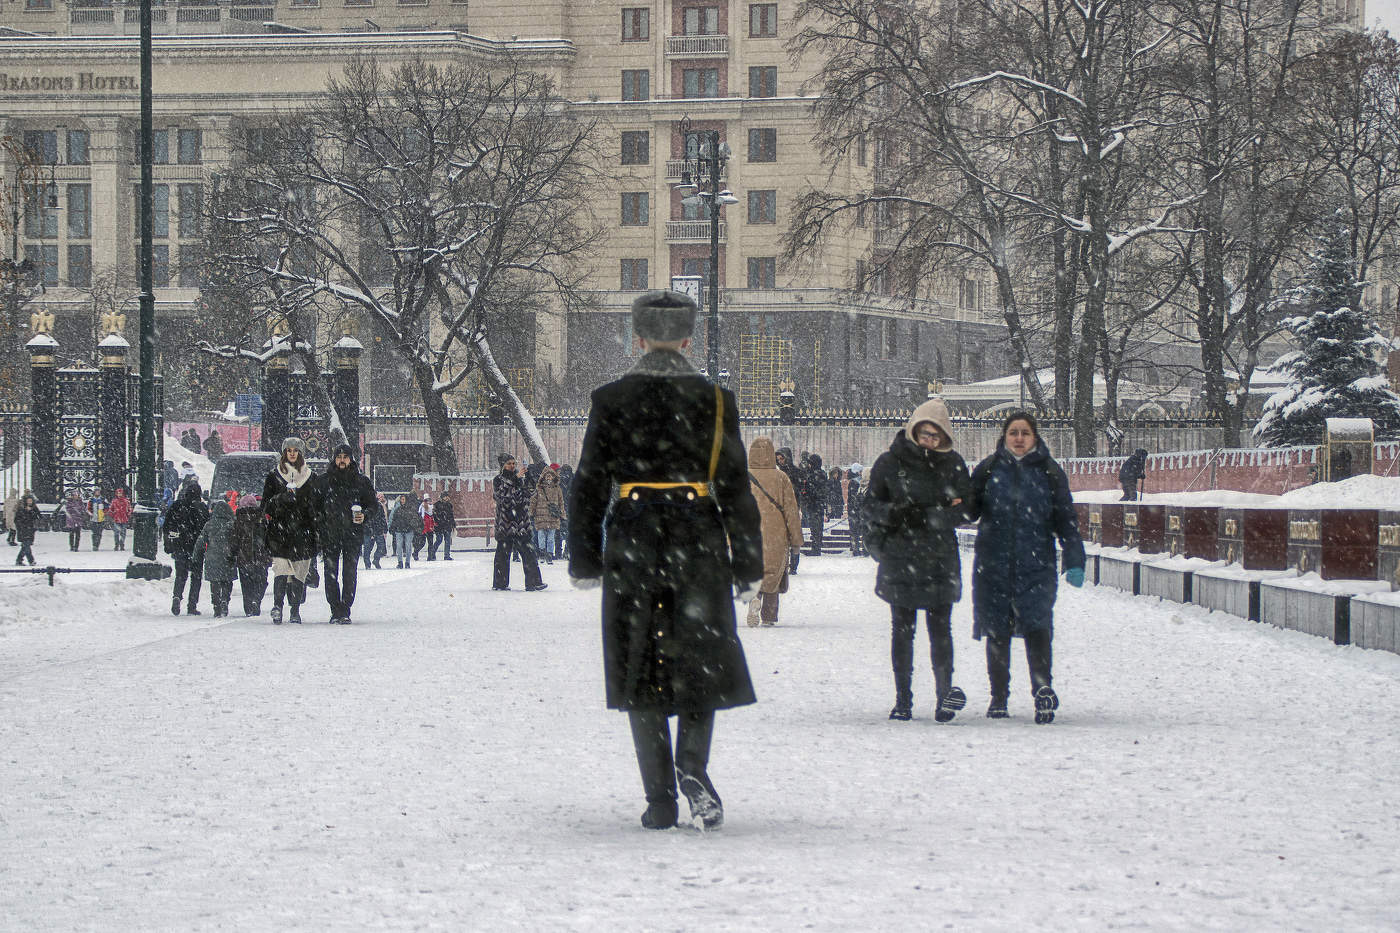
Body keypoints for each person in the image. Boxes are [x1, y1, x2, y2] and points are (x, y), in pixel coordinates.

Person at [569, 289, 763, 831]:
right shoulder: (717, 400)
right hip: (697, 537)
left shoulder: (610, 399)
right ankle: (692, 766)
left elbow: (587, 485)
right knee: (701, 663)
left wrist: (585, 557)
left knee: (639, 667)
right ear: (686, 338)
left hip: (634, 540)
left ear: (638, 338)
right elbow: (737, 490)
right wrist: (748, 565)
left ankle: (659, 798)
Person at [968, 412, 1086, 723]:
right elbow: (969, 509)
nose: (1019, 438)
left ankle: (1042, 690)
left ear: (1035, 437)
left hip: (1037, 565)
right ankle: (999, 696)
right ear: (1004, 437)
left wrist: (1074, 558)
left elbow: (1066, 518)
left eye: (1025, 433)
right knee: (997, 632)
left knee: (1038, 628)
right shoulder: (989, 469)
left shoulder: (1049, 472)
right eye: (1013, 433)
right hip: (993, 565)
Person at [864, 398, 971, 723]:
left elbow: (967, 508)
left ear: (944, 437)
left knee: (941, 631)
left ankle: (943, 697)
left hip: (938, 557)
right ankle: (903, 699)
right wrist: (896, 513)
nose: (929, 440)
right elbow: (869, 506)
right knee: (902, 631)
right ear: (913, 430)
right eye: (924, 433)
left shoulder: (952, 464)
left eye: (935, 436)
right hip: (902, 556)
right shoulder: (889, 463)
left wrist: (934, 517)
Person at [311, 443, 378, 624]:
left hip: (353, 534)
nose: (342, 460)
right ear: (334, 459)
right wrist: (321, 521)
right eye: (339, 457)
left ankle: (346, 608)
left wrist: (365, 515)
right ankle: (335, 609)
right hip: (330, 534)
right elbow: (314, 506)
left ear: (351, 459)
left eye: (345, 457)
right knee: (330, 572)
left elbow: (373, 505)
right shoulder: (324, 481)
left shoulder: (361, 481)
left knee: (350, 572)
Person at [745, 437, 802, 627]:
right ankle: (768, 616)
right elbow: (791, 511)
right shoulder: (781, 478)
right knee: (773, 573)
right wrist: (796, 540)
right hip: (775, 532)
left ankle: (754, 597)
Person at [262, 436, 318, 624]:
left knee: (299, 573)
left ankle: (295, 610)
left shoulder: (310, 477)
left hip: (302, 532)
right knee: (281, 570)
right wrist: (280, 499)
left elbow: (317, 506)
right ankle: (277, 606)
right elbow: (265, 506)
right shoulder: (274, 476)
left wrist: (305, 505)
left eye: (295, 450)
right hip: (280, 532)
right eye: (289, 450)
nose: (292, 454)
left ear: (301, 453)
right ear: (284, 453)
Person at [493, 453, 545, 591]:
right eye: (509, 463)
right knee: (503, 555)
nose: (512, 466)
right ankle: (500, 583)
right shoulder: (498, 479)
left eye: (513, 463)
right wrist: (515, 479)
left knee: (529, 553)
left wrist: (529, 478)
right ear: (503, 465)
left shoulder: (520, 479)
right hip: (506, 523)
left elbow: (530, 494)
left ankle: (534, 582)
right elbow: (502, 496)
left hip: (521, 522)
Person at [163, 480, 209, 616]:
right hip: (196, 548)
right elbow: (206, 529)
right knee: (196, 577)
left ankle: (177, 597)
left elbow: (167, 526)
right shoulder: (202, 508)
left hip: (180, 546)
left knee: (181, 576)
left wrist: (170, 542)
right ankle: (192, 605)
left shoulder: (177, 506)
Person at [194, 499, 237, 617]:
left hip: (212, 556)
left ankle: (216, 605)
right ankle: (225, 600)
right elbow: (237, 541)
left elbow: (201, 541)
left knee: (215, 583)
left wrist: (196, 555)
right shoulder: (232, 523)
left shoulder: (209, 524)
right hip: (228, 556)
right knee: (227, 581)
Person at [231, 493, 271, 616]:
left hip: (244, 556)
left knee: (246, 583)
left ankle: (248, 607)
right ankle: (257, 600)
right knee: (261, 581)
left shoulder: (238, 519)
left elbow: (234, 539)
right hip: (261, 556)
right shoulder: (262, 518)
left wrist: (233, 553)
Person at [530, 464, 565, 565]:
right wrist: (531, 512)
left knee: (550, 538)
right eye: (547, 476)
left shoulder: (557, 488)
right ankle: (542, 553)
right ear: (543, 477)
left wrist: (562, 514)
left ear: (553, 476)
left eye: (550, 476)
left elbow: (561, 501)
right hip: (541, 516)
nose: (549, 478)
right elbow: (533, 501)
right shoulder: (539, 488)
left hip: (552, 517)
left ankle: (549, 555)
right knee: (541, 537)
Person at [775, 447, 802, 573]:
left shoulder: (795, 472)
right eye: (778, 459)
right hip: (780, 507)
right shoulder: (776, 472)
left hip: (793, 506)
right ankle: (784, 564)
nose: (780, 461)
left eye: (782, 458)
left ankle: (794, 565)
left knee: (794, 536)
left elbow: (799, 490)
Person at [798, 453, 828, 557]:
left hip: (813, 504)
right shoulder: (822, 473)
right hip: (818, 504)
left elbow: (811, 490)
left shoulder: (813, 475)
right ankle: (816, 547)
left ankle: (815, 549)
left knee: (815, 527)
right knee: (818, 527)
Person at [389, 494, 418, 568]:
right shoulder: (397, 509)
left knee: (408, 546)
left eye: (403, 499)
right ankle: (400, 562)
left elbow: (415, 519)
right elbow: (394, 519)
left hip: (408, 530)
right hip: (399, 530)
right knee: (399, 546)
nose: (402, 501)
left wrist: (413, 526)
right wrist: (392, 527)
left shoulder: (411, 509)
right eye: (401, 499)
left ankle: (407, 562)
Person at [363, 491, 389, 569]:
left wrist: (385, 529)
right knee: (367, 549)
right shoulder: (366, 506)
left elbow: (382, 518)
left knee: (381, 547)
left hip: (378, 530)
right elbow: (365, 519)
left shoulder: (379, 506)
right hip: (368, 531)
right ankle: (367, 564)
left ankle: (376, 560)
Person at [14, 492, 40, 566]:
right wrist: (21, 527)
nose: (29, 502)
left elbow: (38, 516)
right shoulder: (21, 509)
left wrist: (31, 511)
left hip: (31, 529)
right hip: (23, 530)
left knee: (25, 546)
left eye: (31, 501)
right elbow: (17, 519)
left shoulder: (34, 508)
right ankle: (31, 560)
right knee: (26, 545)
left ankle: (19, 560)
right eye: (28, 501)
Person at [847, 464, 867, 557]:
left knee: (855, 531)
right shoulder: (859, 482)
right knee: (861, 531)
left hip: (854, 510)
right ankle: (862, 549)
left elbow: (851, 498)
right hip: (860, 510)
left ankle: (856, 549)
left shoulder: (853, 482)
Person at [554, 464, 573, 559]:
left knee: (558, 531)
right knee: (569, 531)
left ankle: (558, 551)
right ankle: (567, 551)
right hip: (569, 508)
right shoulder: (573, 481)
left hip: (560, 508)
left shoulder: (558, 480)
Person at [431, 492, 455, 561]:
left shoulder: (449, 505)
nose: (446, 498)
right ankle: (432, 553)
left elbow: (451, 516)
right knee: (439, 540)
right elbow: (435, 515)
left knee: (447, 541)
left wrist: (453, 524)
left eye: (447, 496)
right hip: (439, 526)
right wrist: (438, 521)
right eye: (445, 496)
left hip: (447, 526)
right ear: (442, 497)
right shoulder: (437, 505)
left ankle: (446, 555)